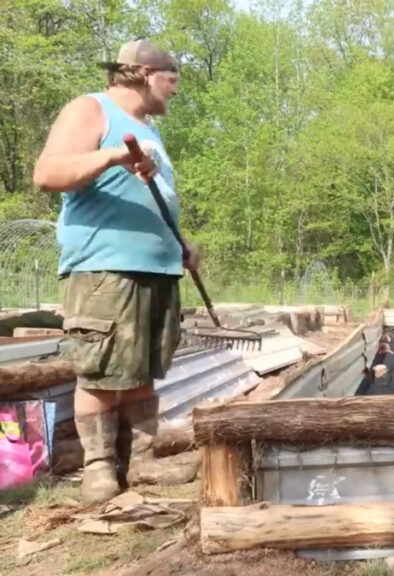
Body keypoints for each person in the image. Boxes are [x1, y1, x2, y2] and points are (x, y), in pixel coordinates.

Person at [32, 39, 200, 505]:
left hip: (156, 269)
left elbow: (148, 198)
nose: (176, 90)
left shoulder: (147, 128)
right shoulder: (92, 110)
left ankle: (143, 464)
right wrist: (111, 156)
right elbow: (47, 173)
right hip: (105, 268)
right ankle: (100, 468)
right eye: (173, 79)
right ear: (145, 73)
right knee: (102, 371)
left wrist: (180, 244)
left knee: (141, 370)